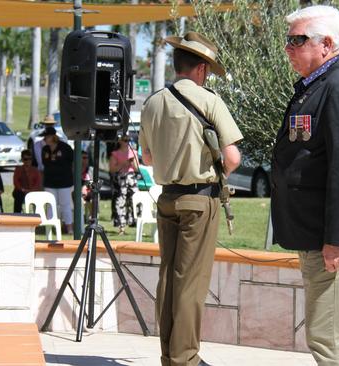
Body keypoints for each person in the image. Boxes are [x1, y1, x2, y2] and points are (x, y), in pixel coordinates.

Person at [270, 6, 339, 366]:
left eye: (297, 40)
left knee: (327, 337)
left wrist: (337, 239)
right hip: (318, 234)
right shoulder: (318, 86)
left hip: (331, 239)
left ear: (327, 45)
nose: (287, 48)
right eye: (288, 40)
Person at [139, 32, 243, 366]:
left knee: (168, 279)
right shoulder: (208, 101)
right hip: (199, 200)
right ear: (200, 69)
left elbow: (148, 158)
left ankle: (169, 354)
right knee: (191, 284)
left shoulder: (153, 102)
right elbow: (233, 158)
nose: (208, 76)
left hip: (167, 197)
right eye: (208, 70)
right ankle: (185, 359)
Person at [41, 127, 74, 233]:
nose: (45, 139)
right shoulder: (45, 149)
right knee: (50, 205)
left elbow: (72, 163)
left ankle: (69, 228)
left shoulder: (65, 148)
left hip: (64, 182)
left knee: (65, 205)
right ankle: (49, 229)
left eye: (47, 137)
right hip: (50, 182)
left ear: (53, 137)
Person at [109, 136, 138, 235]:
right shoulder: (115, 154)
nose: (127, 142)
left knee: (133, 201)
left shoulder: (133, 152)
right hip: (120, 179)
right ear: (120, 141)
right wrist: (124, 164)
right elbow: (112, 169)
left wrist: (133, 161)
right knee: (120, 202)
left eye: (128, 140)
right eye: (125, 140)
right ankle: (121, 227)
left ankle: (135, 224)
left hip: (131, 179)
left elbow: (137, 168)